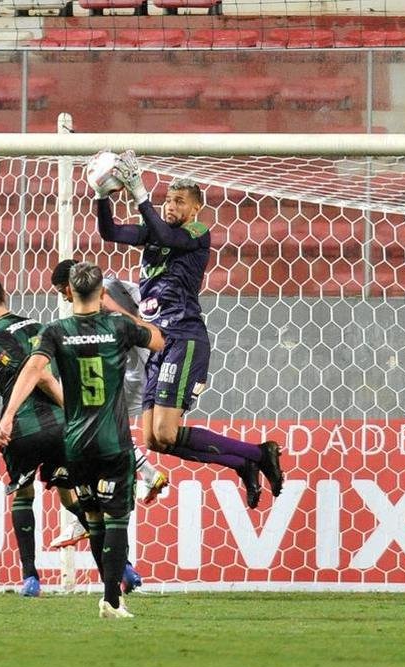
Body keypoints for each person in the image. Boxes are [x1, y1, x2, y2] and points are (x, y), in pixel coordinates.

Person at [93, 152, 283, 509]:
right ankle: (243, 461)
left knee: (165, 431)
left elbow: (168, 236)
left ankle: (259, 452)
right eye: (168, 200)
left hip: (183, 337)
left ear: (196, 209)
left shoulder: (197, 232)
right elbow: (110, 232)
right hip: (157, 342)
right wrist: (101, 195)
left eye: (180, 202)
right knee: (153, 440)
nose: (171, 206)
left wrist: (139, 192)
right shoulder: (156, 233)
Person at [0, 262, 164, 619]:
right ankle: (112, 599)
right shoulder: (118, 325)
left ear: (70, 292)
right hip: (112, 440)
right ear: (102, 293)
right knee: (117, 518)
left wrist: (9, 414)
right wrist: (120, 309)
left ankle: (109, 595)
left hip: (75, 442)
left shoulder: (56, 331)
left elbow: (33, 370)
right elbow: (158, 338)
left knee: (92, 516)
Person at [0, 273, 77, 598]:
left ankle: (30, 578)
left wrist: (7, 417)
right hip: (61, 425)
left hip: (25, 429)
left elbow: (40, 377)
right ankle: (123, 568)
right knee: (74, 495)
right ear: (4, 294)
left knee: (24, 494)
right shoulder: (38, 326)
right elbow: (19, 384)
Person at [52, 259, 168, 504]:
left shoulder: (100, 299)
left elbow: (128, 323)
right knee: (105, 421)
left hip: (144, 369)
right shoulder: (104, 286)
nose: (64, 298)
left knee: (91, 417)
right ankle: (148, 474)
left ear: (71, 285)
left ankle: (139, 476)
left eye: (63, 291)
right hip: (142, 367)